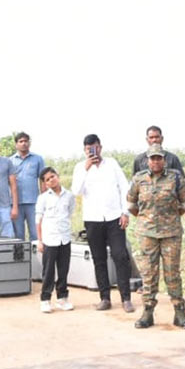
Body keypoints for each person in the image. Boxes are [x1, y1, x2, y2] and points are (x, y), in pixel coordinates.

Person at [128, 144, 185, 329]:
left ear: (164, 160)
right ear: (147, 160)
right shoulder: (139, 179)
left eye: (159, 158)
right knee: (149, 274)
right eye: (152, 158)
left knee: (172, 273)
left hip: (171, 233)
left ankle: (180, 313)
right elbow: (132, 204)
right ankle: (147, 313)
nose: (156, 161)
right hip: (147, 234)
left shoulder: (175, 177)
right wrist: (146, 220)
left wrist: (169, 219)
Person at [71, 133, 134, 312]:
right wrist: (86, 167)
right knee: (99, 259)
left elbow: (124, 188)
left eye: (96, 147)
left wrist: (125, 212)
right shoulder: (80, 167)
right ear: (84, 150)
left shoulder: (112, 164)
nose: (93, 151)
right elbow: (76, 191)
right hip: (93, 219)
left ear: (101, 147)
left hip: (114, 218)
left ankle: (126, 298)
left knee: (120, 255)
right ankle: (104, 298)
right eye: (89, 149)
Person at [34, 166, 76, 313]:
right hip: (49, 239)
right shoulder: (43, 198)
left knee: (63, 270)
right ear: (45, 184)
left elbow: (69, 213)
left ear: (57, 176)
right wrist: (40, 240)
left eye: (53, 176)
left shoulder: (69, 196)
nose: (51, 180)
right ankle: (45, 299)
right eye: (47, 179)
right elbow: (38, 220)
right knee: (48, 271)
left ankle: (62, 298)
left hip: (64, 238)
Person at [12, 132, 45, 243]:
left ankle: (36, 254)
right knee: (18, 235)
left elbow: (42, 180)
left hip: (33, 202)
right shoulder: (10, 161)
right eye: (21, 141)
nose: (24, 143)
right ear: (16, 144)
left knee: (36, 233)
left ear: (29, 143)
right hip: (16, 203)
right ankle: (20, 254)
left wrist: (44, 200)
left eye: (26, 141)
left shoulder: (38, 159)